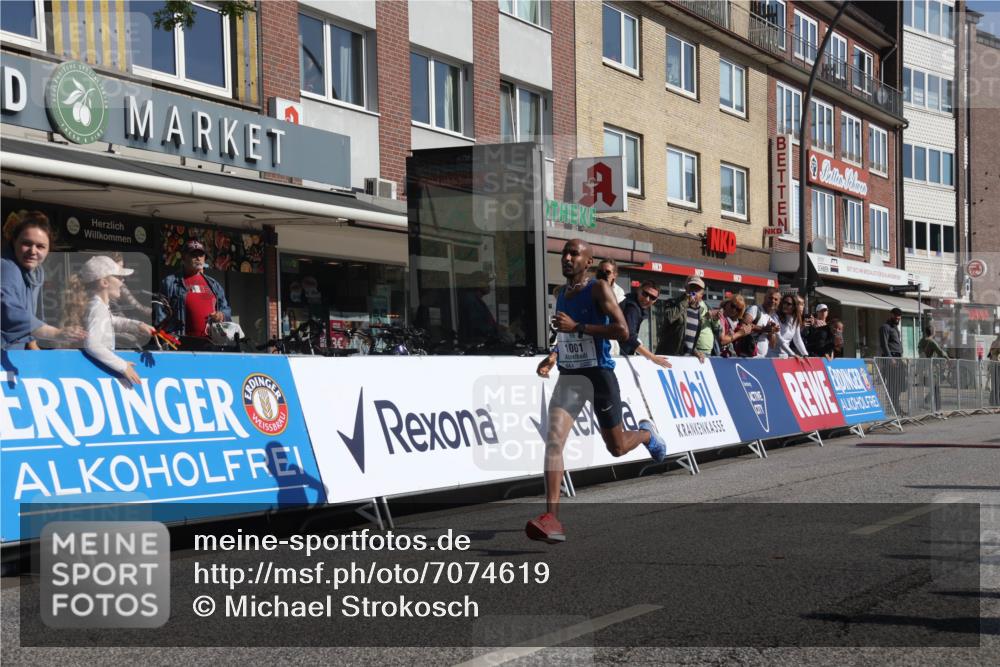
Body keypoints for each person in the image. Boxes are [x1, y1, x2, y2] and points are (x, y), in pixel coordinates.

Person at [529, 239, 666, 543]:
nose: (567, 258)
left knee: (616, 448)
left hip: (599, 375)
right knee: (553, 441)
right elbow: (566, 336)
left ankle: (646, 434)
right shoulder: (560, 294)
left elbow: (623, 331)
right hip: (570, 376)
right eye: (565, 253)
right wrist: (554, 356)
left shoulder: (599, 289)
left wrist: (578, 326)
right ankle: (552, 519)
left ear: (588, 261)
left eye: (574, 254)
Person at [1, 211, 86, 350]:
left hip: (14, 354)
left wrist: (33, 347)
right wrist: (55, 333)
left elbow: (30, 317)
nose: (33, 251)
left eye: (40, 246)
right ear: (14, 242)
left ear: (48, 250)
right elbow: (9, 311)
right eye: (26, 243)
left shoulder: (36, 272)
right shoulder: (6, 267)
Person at [67, 256, 156, 387]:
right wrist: (123, 366)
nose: (123, 281)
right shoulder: (97, 308)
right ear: (104, 282)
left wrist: (138, 325)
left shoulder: (96, 305)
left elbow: (110, 321)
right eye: (119, 277)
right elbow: (92, 345)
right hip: (94, 373)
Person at [155, 240, 232, 344]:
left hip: (211, 344)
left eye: (201, 255)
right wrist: (167, 341)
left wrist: (221, 315)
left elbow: (226, 309)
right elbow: (160, 317)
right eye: (193, 255)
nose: (198, 258)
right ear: (184, 258)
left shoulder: (214, 284)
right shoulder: (170, 282)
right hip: (181, 345)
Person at [653, 275, 711, 362]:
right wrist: (685, 302)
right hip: (669, 357)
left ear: (701, 294)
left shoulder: (699, 311)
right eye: (691, 288)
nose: (693, 292)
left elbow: (687, 339)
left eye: (697, 290)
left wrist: (696, 352)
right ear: (686, 289)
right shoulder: (673, 303)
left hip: (685, 360)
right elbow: (669, 317)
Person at [619, 280, 671, 367]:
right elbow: (629, 337)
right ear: (639, 290)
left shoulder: (634, 304)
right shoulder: (632, 307)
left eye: (652, 297)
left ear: (656, 300)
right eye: (645, 294)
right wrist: (653, 358)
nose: (647, 299)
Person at [458, 270, 499, 344]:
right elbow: (477, 325)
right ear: (478, 284)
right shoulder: (470, 300)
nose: (489, 285)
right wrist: (496, 330)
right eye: (486, 282)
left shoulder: (475, 299)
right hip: (475, 344)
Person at [597, 259, 626, 356]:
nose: (603, 274)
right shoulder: (588, 287)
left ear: (614, 275)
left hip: (609, 344)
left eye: (607, 272)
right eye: (600, 271)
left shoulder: (619, 293)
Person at [879, 308, 905, 415]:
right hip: (891, 359)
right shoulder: (885, 327)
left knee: (900, 384)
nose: (898, 319)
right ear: (891, 315)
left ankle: (895, 406)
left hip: (898, 358)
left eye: (899, 317)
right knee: (892, 385)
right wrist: (890, 358)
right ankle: (894, 408)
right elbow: (884, 344)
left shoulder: (895, 328)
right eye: (896, 316)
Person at [742, 288, 780, 357]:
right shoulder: (755, 309)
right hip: (749, 357)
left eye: (776, 299)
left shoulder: (772, 319)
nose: (773, 301)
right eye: (770, 298)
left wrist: (772, 331)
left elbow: (772, 345)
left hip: (762, 358)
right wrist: (764, 329)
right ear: (765, 298)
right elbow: (744, 325)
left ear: (778, 302)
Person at [918, 325, 948, 412]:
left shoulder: (921, 341)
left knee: (932, 387)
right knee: (936, 387)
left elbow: (919, 351)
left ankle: (925, 403)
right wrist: (948, 358)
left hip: (922, 367)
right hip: (931, 368)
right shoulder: (932, 342)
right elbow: (940, 352)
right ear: (933, 332)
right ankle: (937, 408)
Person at [770, 293, 808, 358]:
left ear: (794, 306)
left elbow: (797, 339)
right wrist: (792, 354)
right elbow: (778, 338)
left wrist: (805, 354)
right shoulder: (775, 316)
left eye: (788, 304)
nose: (785, 305)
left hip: (785, 355)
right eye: (784, 302)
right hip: (772, 355)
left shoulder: (795, 320)